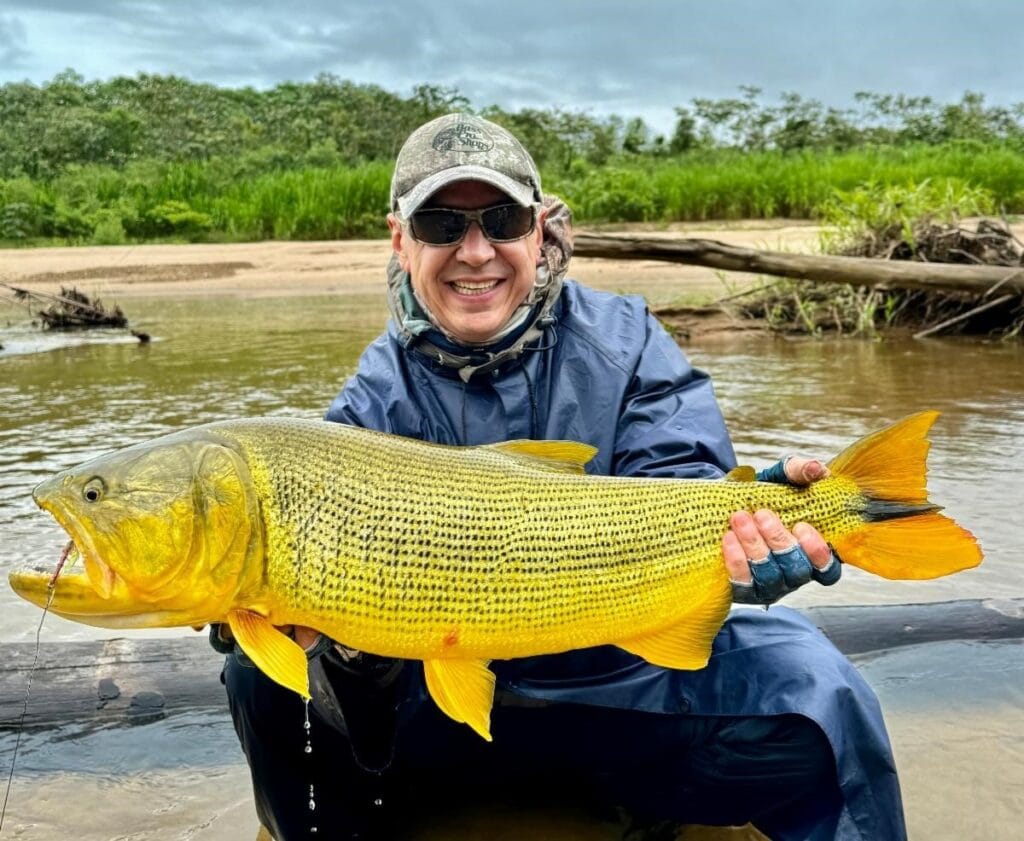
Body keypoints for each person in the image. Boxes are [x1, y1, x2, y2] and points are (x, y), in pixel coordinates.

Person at [217, 114, 906, 840]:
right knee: (264, 676)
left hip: (617, 684)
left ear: (540, 228)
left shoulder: (627, 343)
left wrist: (753, 520)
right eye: (443, 224)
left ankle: (654, 805)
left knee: (817, 686)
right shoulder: (372, 398)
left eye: (502, 219)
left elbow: (683, 485)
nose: (475, 251)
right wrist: (312, 630)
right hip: (439, 710)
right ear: (401, 241)